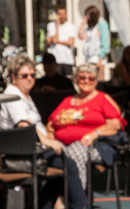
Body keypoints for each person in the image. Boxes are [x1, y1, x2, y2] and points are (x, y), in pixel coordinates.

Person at [0, 55, 95, 209]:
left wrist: (50, 137)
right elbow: (24, 124)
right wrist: (49, 142)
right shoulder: (12, 94)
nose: (29, 79)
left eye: (33, 75)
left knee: (62, 163)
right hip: (21, 153)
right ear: (13, 77)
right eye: (24, 75)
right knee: (67, 164)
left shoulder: (24, 94)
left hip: (32, 149)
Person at [46, 63, 125, 201]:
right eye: (82, 77)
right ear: (75, 79)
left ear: (96, 81)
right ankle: (50, 201)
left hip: (95, 146)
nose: (86, 81)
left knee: (76, 150)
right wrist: (51, 141)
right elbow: (50, 125)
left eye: (91, 78)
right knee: (50, 154)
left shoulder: (102, 98)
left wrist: (94, 134)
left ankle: (76, 200)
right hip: (63, 145)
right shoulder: (67, 101)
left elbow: (115, 124)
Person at [78, 6, 110, 79]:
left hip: (97, 59)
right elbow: (81, 36)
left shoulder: (102, 24)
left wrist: (100, 58)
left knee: (99, 82)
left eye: (88, 15)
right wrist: (82, 23)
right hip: (89, 59)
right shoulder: (90, 26)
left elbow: (105, 43)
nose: (86, 17)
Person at [45, 4, 75, 77]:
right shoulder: (51, 26)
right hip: (56, 59)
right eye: (60, 14)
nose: (62, 16)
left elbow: (70, 42)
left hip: (67, 59)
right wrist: (57, 26)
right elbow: (53, 40)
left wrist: (58, 41)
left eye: (64, 14)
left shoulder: (70, 26)